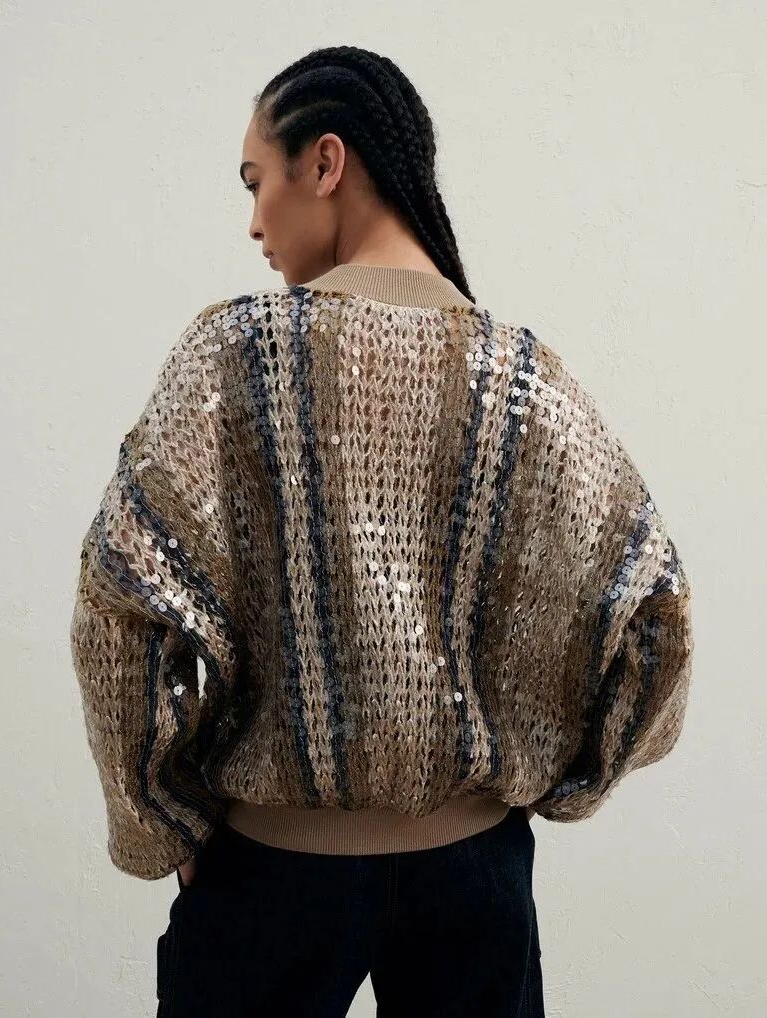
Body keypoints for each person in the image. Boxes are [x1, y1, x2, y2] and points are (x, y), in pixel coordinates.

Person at [69, 46, 694, 1018]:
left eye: (256, 181)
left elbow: (119, 603)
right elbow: (652, 619)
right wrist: (553, 782)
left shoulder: (233, 357)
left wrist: (165, 824)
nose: (252, 220)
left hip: (270, 875)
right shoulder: (521, 379)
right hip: (473, 881)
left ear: (325, 163)